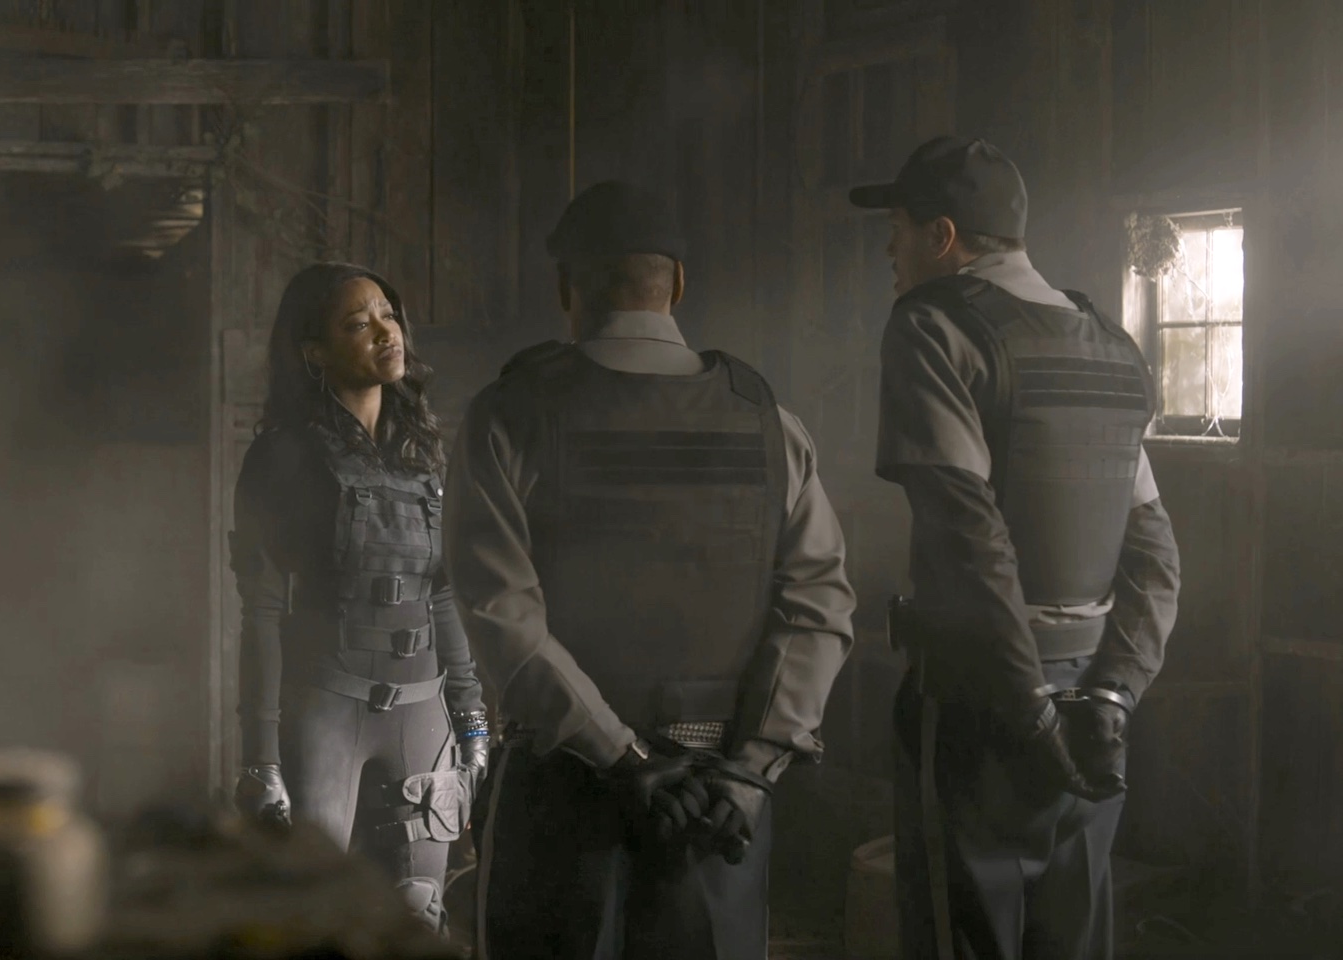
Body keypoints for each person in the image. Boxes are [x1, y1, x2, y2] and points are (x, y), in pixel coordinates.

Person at [448, 180, 857, 960]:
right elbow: (820, 608)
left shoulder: (510, 414)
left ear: (566, 286)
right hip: (720, 806)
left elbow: (502, 615)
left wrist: (624, 757)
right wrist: (749, 771)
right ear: (678, 283)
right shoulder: (769, 423)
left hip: (563, 796)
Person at [851, 136, 1183, 960]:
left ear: (942, 236)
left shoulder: (931, 326)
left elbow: (968, 539)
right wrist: (1114, 696)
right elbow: (1155, 554)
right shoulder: (1109, 347)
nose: (889, 251)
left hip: (982, 699)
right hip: (1094, 702)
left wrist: (1027, 709)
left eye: (897, 230)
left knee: (964, 939)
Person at [227, 262, 490, 932]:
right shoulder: (282, 457)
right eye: (357, 323)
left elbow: (443, 596)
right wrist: (260, 758)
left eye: (387, 314)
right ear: (315, 352)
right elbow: (261, 611)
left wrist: (473, 722)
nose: (384, 330)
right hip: (325, 713)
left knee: (418, 918)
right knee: (314, 921)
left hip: (423, 713)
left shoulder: (425, 454)